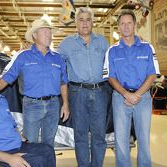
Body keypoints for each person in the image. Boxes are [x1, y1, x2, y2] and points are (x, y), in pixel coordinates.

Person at [0, 19, 69, 147]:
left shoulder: (58, 58)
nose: (49, 35)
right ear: (35, 35)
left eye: (50, 32)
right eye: (45, 31)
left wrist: (66, 104)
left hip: (54, 105)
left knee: (49, 144)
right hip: (32, 105)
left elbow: (63, 83)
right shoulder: (23, 56)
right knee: (30, 143)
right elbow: (7, 78)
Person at [103, 10, 160, 167]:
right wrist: (126, 94)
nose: (126, 26)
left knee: (143, 139)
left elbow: (152, 74)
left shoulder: (148, 48)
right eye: (122, 24)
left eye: (129, 23)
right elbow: (110, 77)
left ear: (135, 25)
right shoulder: (112, 50)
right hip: (120, 98)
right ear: (118, 27)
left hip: (143, 98)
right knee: (121, 140)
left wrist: (137, 95)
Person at [57, 7, 112, 167]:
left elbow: (112, 64)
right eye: (81, 20)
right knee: (80, 134)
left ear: (92, 22)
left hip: (101, 92)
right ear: (76, 23)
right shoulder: (66, 44)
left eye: (88, 19)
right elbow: (55, 65)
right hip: (77, 93)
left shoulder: (103, 41)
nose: (84, 23)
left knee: (99, 135)